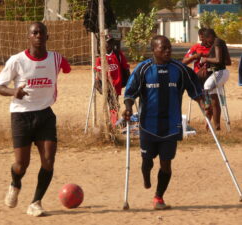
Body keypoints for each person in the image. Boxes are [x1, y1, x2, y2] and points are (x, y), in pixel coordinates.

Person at [0, 22, 71, 217]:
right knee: (21, 164)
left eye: (41, 32)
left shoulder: (56, 58)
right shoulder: (16, 60)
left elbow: (67, 67)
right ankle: (15, 184)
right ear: (28, 37)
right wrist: (13, 91)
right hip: (21, 115)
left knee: (48, 160)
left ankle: (36, 202)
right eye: (34, 33)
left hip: (45, 114)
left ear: (48, 36)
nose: (38, 35)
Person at [123, 35, 205, 210]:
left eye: (169, 47)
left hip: (171, 124)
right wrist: (128, 107)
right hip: (148, 125)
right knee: (147, 162)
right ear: (154, 50)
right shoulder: (143, 69)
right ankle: (146, 176)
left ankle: (158, 197)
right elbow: (130, 92)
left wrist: (202, 103)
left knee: (166, 163)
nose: (168, 51)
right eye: (163, 48)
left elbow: (194, 88)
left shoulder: (180, 69)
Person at [95, 34, 130, 126]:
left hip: (117, 83)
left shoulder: (118, 54)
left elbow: (126, 68)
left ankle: (114, 122)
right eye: (106, 42)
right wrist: (102, 85)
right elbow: (98, 72)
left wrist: (129, 80)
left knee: (113, 103)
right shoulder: (99, 57)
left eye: (110, 42)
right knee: (110, 103)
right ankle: (113, 121)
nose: (108, 44)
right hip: (105, 85)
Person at [201, 28, 231, 130]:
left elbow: (218, 59)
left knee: (207, 85)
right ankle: (217, 126)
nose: (206, 42)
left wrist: (206, 59)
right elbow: (227, 61)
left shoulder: (217, 42)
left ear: (209, 36)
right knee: (215, 100)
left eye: (206, 39)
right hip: (219, 72)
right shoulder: (219, 42)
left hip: (220, 72)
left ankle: (206, 104)